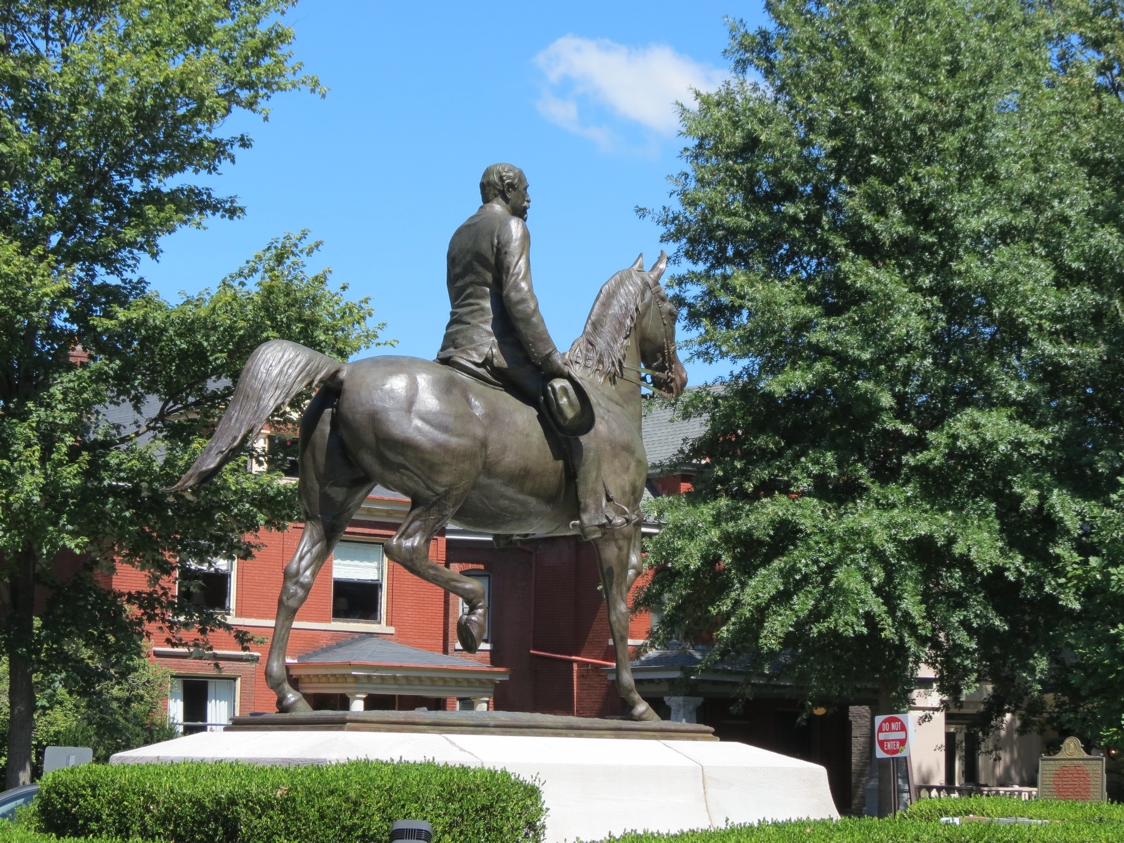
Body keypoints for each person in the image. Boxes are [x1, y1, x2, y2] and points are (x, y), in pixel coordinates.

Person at [437, 163, 627, 539]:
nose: (529, 199)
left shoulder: (459, 234)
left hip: (455, 348)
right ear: (507, 189)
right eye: (525, 190)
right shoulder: (511, 227)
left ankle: (509, 523)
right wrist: (549, 358)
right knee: (577, 415)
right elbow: (519, 299)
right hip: (495, 351)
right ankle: (592, 514)